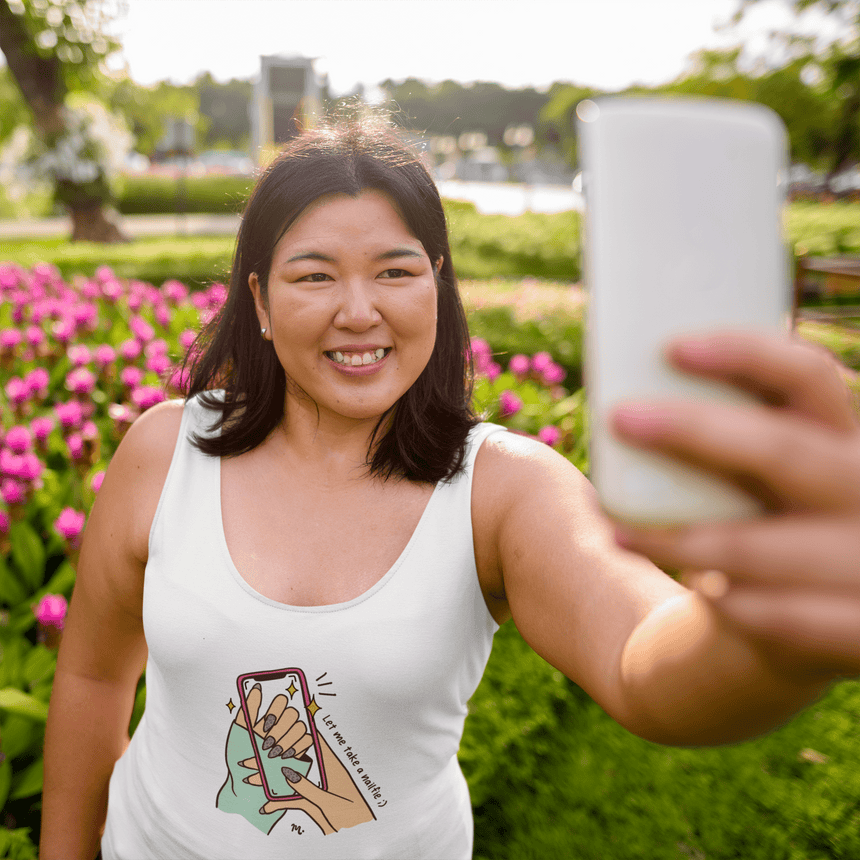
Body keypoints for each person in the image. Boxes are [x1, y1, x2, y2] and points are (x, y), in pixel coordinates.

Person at [40, 114, 860, 860]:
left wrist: (766, 639)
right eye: (314, 276)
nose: (359, 311)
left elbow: (645, 661)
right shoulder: (164, 450)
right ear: (258, 299)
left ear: (438, 281)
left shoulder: (501, 490)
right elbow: (91, 680)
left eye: (396, 272)